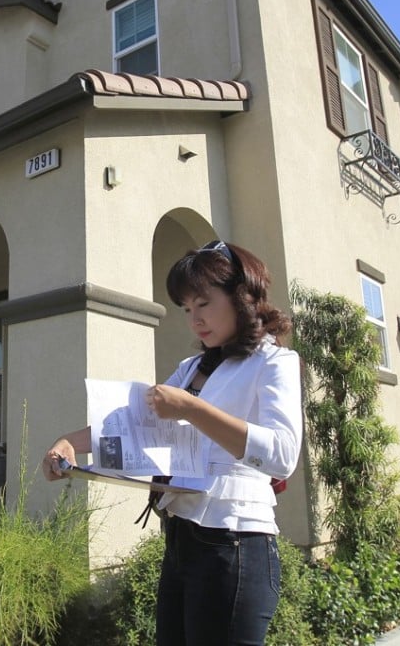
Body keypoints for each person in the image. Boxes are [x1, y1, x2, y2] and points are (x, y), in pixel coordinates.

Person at [42, 240, 303, 645]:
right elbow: (138, 424)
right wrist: (68, 443)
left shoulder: (274, 362)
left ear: (242, 296)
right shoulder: (191, 368)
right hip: (181, 538)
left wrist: (192, 409)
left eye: (204, 303)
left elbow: (283, 455)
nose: (195, 319)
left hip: (234, 541)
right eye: (186, 308)